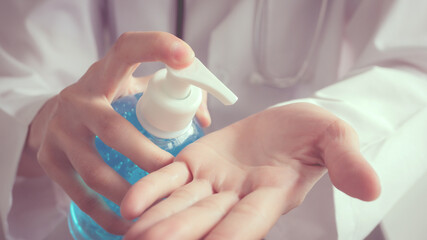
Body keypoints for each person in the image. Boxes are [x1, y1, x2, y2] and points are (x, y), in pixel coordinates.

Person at [1, 1, 427, 239]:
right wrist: (46, 116)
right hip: (90, 209)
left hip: (304, 207)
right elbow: (25, 50)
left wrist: (332, 128)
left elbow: (415, 57)